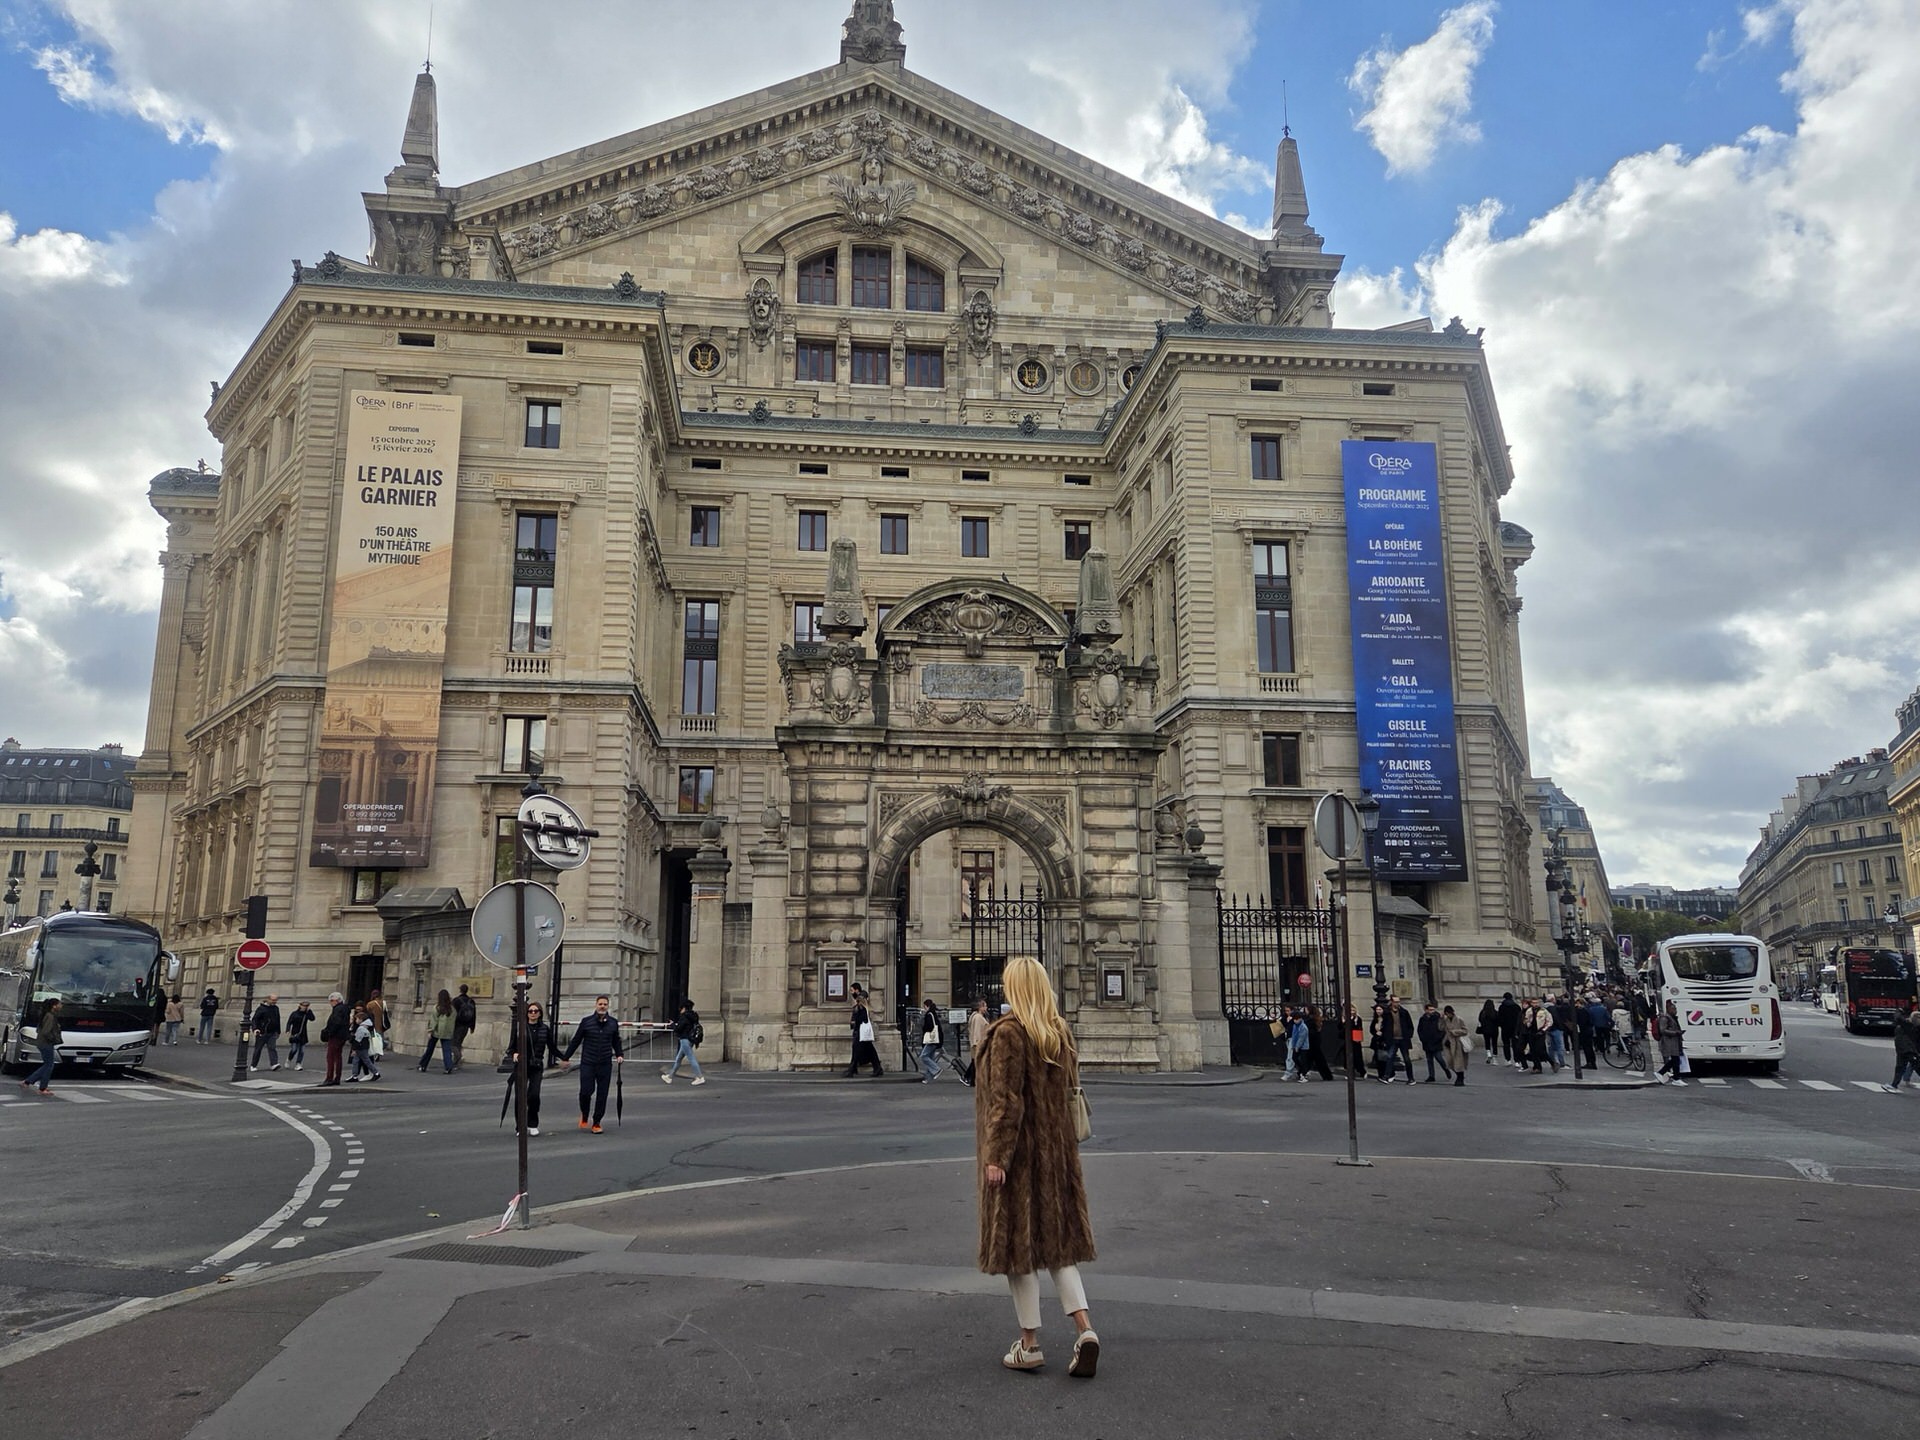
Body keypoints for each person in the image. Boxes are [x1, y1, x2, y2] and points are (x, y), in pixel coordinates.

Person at [975, 955, 1099, 1378]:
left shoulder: (1010, 1033)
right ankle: (1085, 1331)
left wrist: (996, 1156)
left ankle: (1029, 1344)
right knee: (1059, 1249)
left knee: (1018, 1251)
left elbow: (1006, 1102)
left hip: (1020, 1157)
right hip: (1057, 1154)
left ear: (1016, 988)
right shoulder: (1057, 1032)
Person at [559, 994, 624, 1132]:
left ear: (608, 1006)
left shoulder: (613, 1023)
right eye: (600, 1004)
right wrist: (566, 1057)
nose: (602, 1006)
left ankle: (597, 1122)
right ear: (596, 1005)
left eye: (605, 1004)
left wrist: (619, 1054)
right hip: (588, 1062)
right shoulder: (586, 1022)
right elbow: (576, 1040)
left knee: (602, 1094)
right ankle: (584, 1114)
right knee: (585, 1092)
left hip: (605, 1063)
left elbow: (616, 1041)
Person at [507, 999, 558, 1134]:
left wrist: (564, 1058)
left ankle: (533, 1123)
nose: (533, 1013)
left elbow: (552, 1047)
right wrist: (514, 1054)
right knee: (520, 1097)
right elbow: (511, 1047)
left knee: (534, 1095)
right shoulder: (520, 1028)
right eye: (530, 1011)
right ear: (527, 1013)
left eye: (536, 1011)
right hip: (522, 1066)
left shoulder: (544, 1029)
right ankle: (520, 1126)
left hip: (536, 1066)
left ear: (540, 1013)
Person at [21, 998, 61, 1096]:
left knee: (48, 1065)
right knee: (49, 1065)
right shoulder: (50, 1016)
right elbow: (45, 1032)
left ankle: (29, 1082)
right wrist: (53, 1038)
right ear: (54, 1006)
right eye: (59, 1004)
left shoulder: (46, 1015)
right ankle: (41, 1087)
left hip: (43, 1043)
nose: (61, 1006)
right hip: (46, 1043)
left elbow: (39, 1030)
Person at [663, 998, 706, 1084]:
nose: (680, 1010)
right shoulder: (693, 1016)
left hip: (685, 1039)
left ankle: (700, 1077)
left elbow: (679, 1029)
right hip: (690, 1039)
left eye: (681, 1008)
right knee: (678, 1059)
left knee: (691, 1058)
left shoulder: (684, 1016)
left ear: (684, 1008)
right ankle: (670, 1076)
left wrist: (672, 1025)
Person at [846, 987, 884, 1078]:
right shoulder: (860, 1008)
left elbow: (863, 1020)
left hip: (861, 1034)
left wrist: (855, 1022)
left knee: (857, 1052)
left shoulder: (863, 1009)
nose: (857, 1002)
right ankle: (877, 1068)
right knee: (870, 1052)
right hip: (861, 1034)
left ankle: (851, 1070)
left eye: (859, 1000)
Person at [419, 990, 458, 1074]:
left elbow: (434, 1021)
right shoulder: (452, 1009)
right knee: (447, 1050)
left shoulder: (437, 1007)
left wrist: (430, 1030)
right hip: (447, 1032)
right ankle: (448, 1067)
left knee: (429, 1049)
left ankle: (423, 1065)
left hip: (436, 1031)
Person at [1884, 1004, 1920, 1092]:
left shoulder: (1907, 1025)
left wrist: (1899, 1010)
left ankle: (1894, 1085)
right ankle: (1894, 1085)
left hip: (1907, 1050)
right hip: (1905, 1050)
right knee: (1901, 1067)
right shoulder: (1913, 1026)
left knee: (1912, 1067)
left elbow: (1898, 1017)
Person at [1416, 1001, 1452, 1083]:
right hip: (1427, 1042)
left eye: (1433, 1009)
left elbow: (1443, 1029)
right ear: (1426, 1010)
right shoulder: (1423, 1019)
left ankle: (1446, 1069)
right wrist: (1422, 1039)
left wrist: (1439, 1038)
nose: (1432, 1011)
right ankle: (1431, 1076)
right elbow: (1419, 1030)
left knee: (1439, 1058)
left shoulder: (1438, 1018)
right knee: (1429, 1060)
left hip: (1436, 1042)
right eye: (1430, 1010)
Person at [318, 991, 349, 1086]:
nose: (330, 1003)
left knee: (331, 1057)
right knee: (338, 1057)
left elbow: (336, 1022)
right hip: (342, 1035)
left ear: (337, 1000)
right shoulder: (344, 1008)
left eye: (332, 1000)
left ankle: (329, 1078)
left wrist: (329, 1032)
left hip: (336, 1036)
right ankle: (337, 1078)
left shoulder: (338, 1009)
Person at [1654, 1000, 1687, 1085]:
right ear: (1669, 1009)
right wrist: (1676, 1033)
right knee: (1675, 1059)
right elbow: (1662, 1030)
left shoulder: (1671, 1017)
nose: (1675, 1011)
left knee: (1674, 1059)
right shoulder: (1665, 1018)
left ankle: (1665, 1074)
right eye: (1674, 1009)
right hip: (1669, 1041)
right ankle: (1675, 1078)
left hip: (1673, 1041)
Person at [249, 993, 283, 1071]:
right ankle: (253, 1065)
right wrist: (255, 1029)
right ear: (268, 999)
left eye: (276, 1000)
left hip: (272, 1032)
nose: (274, 1002)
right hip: (262, 1032)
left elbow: (277, 1020)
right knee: (258, 1049)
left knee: (272, 1048)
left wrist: (278, 1031)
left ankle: (274, 1064)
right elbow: (255, 1019)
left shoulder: (276, 1008)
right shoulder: (261, 1008)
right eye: (273, 1000)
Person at [346, 1005, 381, 1082]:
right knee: (357, 1061)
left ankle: (376, 1073)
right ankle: (354, 1075)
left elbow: (357, 1039)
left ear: (361, 1020)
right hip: (363, 1046)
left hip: (360, 1047)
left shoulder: (361, 1028)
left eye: (357, 1019)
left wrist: (354, 1049)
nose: (356, 1020)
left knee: (365, 1061)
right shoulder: (366, 1026)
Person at [1299, 1007, 1334, 1081]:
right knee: (1317, 1060)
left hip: (1312, 1042)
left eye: (1307, 1010)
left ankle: (1302, 1073)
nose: (1305, 1011)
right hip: (1315, 1042)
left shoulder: (1310, 1020)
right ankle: (1327, 1076)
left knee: (1311, 1059)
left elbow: (1310, 1031)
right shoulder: (1315, 1019)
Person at [963, 997, 990, 1087]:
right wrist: (978, 1043)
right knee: (977, 1063)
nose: (986, 1008)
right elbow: (977, 1032)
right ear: (980, 1007)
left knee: (975, 1062)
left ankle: (971, 1079)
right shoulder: (978, 1017)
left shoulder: (975, 1016)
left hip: (976, 1043)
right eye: (985, 1006)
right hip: (978, 1043)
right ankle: (973, 1080)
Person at [1388, 998, 1417, 1082]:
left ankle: (1411, 1078)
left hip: (1403, 1039)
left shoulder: (1404, 1012)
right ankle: (1387, 1076)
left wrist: (1408, 1035)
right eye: (1396, 1002)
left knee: (1407, 1059)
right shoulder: (1387, 1013)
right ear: (1392, 1002)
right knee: (1389, 1057)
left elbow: (1410, 1025)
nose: (1397, 1003)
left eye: (1398, 1002)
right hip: (1393, 1039)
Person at [1441, 1005, 1470, 1085]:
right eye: (1446, 1014)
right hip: (1448, 1043)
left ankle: (1460, 1078)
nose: (1448, 1015)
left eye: (1449, 1013)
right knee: (1450, 1062)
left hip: (1457, 1044)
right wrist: (1441, 1019)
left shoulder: (1459, 1019)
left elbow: (1465, 1031)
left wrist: (1455, 1032)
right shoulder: (1445, 1020)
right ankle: (1459, 1076)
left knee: (1458, 1063)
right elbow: (1440, 1028)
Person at [451, 983, 478, 1072]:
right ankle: (457, 1062)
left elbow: (452, 1014)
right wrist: (472, 1026)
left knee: (454, 1044)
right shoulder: (471, 1001)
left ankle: (458, 1058)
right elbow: (474, 1015)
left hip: (457, 1025)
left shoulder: (456, 1001)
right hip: (466, 1025)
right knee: (459, 1043)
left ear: (460, 990)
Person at [917, 997, 943, 1082]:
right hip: (936, 1039)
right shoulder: (933, 1014)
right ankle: (928, 1078)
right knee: (930, 1058)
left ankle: (937, 1069)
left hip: (931, 1039)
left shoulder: (929, 1015)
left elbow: (928, 1027)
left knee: (924, 1056)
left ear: (926, 1006)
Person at [286, 1000, 313, 1070]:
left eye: (306, 1006)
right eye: (304, 1005)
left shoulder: (306, 1014)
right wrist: (288, 1030)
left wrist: (309, 1011)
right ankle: (289, 1059)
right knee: (294, 1049)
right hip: (295, 1034)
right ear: (300, 1006)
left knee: (302, 1051)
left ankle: (298, 1063)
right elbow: (289, 1022)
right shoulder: (294, 1013)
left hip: (303, 1034)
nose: (305, 1007)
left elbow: (312, 1018)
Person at [1497, 992, 1522, 1066]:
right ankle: (1517, 1061)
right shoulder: (1516, 1006)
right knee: (1515, 1045)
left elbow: (1499, 1018)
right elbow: (1519, 1018)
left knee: (1506, 1044)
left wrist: (1501, 1025)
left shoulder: (1502, 1007)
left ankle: (1507, 1060)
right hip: (1514, 1028)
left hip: (1505, 1028)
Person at [366, 988, 390, 1060]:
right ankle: (382, 1047)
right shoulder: (383, 1003)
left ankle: (376, 1051)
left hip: (372, 1024)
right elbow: (386, 1013)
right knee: (380, 1037)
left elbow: (367, 1013)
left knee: (373, 1038)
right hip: (380, 1025)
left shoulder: (370, 1004)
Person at [1476, 998, 1500, 1065]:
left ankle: (1488, 1053)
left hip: (1485, 1030)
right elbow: (1498, 1022)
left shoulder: (1482, 1013)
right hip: (1494, 1030)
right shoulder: (1495, 1012)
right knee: (1494, 1043)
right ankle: (1495, 1059)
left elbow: (1480, 1020)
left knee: (1487, 1042)